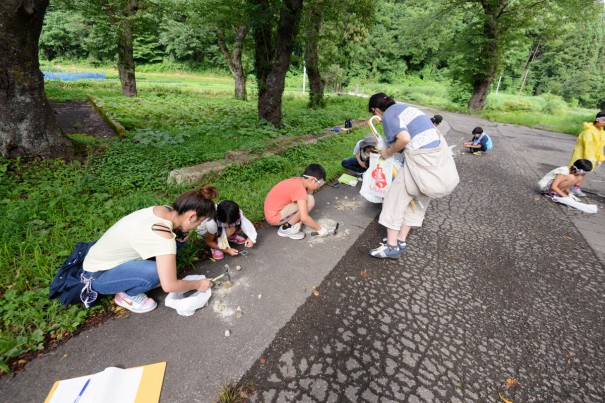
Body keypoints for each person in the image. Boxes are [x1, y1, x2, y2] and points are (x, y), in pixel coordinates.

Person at [82, 185, 218, 313]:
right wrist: (198, 284)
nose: (198, 225)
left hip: (100, 257)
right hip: (97, 275)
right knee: (157, 273)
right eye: (200, 222)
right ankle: (126, 296)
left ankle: (139, 274)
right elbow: (169, 286)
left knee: (181, 238)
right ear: (192, 217)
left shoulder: (164, 210)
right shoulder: (163, 236)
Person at [367, 93, 441, 259]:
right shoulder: (408, 109)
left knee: (394, 200)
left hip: (419, 160)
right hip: (435, 160)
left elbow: (404, 139)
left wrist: (387, 152)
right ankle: (400, 240)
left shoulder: (389, 115)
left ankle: (391, 247)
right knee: (416, 201)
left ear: (376, 109)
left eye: (374, 113)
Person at [264, 164, 329, 240]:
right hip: (274, 217)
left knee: (308, 198)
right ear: (312, 180)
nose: (318, 186)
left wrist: (299, 223)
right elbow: (304, 217)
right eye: (319, 183)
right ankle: (286, 229)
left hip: (275, 210)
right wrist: (320, 229)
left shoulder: (298, 181)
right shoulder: (299, 189)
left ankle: (293, 224)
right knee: (310, 201)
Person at [568, 111, 605, 196]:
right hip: (581, 155)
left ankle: (576, 188)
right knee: (574, 172)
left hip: (592, 157)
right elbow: (587, 145)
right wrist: (589, 158)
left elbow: (600, 147)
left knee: (584, 172)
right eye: (603, 120)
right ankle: (564, 186)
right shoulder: (588, 131)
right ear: (597, 120)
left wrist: (600, 158)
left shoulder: (602, 133)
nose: (604, 122)